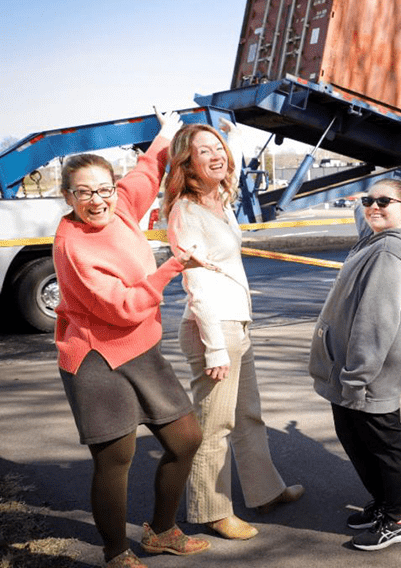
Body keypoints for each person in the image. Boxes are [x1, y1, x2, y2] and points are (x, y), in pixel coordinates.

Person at [53, 110, 211, 568]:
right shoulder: (73, 246)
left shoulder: (120, 206)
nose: (97, 201)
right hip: (95, 356)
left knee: (185, 439)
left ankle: (162, 532)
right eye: (84, 193)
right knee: (116, 457)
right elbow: (121, 307)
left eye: (104, 189)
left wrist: (166, 129)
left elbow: (148, 170)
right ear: (68, 197)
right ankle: (115, 552)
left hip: (140, 347)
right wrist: (173, 266)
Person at [164, 124, 303, 541]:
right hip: (214, 330)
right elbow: (198, 285)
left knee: (247, 415)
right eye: (203, 151)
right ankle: (210, 510)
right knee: (215, 425)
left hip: (236, 323)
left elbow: (231, 168)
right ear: (186, 163)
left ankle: (265, 491)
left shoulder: (218, 202)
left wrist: (233, 139)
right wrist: (214, 350)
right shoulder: (185, 213)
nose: (216, 155)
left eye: (218, 148)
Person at [308, 179, 401, 551]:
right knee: (357, 440)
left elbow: (375, 323)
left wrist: (356, 377)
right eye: (369, 199)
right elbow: (364, 213)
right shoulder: (373, 240)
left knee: (385, 447)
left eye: (385, 201)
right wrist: (368, 198)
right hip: (348, 371)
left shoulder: (388, 254)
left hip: (365, 376)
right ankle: (385, 504)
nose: (374, 206)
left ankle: (398, 519)